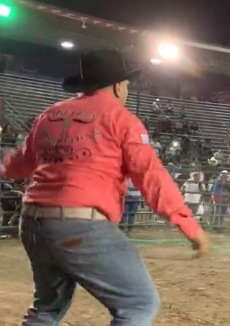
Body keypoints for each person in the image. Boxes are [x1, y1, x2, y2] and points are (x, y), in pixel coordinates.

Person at [1, 49, 207, 326]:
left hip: (33, 221)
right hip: (81, 225)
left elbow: (20, 166)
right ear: (117, 85)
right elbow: (151, 177)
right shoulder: (121, 120)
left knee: (47, 308)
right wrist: (188, 225)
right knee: (139, 304)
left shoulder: (49, 115)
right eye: (126, 85)